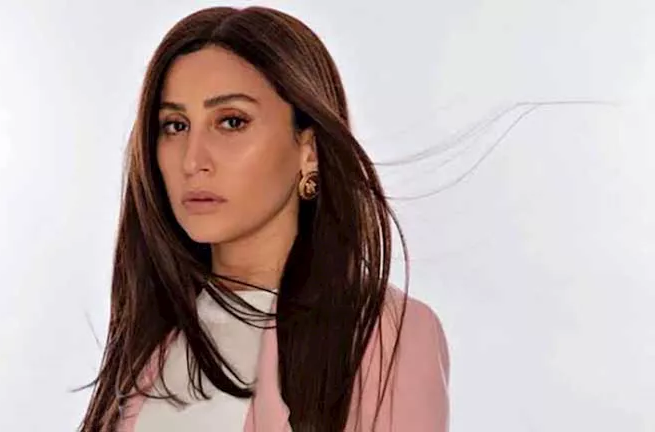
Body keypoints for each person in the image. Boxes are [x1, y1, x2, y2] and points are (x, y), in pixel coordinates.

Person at [80, 5, 450, 432]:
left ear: (308, 150)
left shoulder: (384, 334)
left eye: (231, 122)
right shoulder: (151, 343)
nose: (192, 161)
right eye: (175, 126)